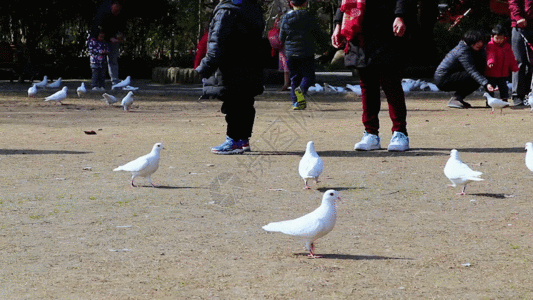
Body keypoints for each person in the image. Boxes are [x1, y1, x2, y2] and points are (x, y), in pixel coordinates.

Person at [331, 0, 414, 152]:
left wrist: (400, 15)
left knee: (391, 81)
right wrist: (338, 25)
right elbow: (343, 2)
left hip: (386, 24)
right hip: (359, 26)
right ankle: (371, 133)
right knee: (367, 84)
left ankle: (400, 132)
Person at [195, 0, 264, 155]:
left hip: (231, 66)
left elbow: (217, 41)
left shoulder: (226, 11)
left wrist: (204, 68)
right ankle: (243, 140)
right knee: (246, 103)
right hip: (251, 65)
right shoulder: (252, 8)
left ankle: (233, 140)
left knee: (232, 105)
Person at [280, 0, 327, 110]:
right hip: (307, 52)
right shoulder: (309, 17)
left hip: (291, 53)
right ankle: (301, 89)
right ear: (305, 3)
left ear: (291, 4)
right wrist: (325, 47)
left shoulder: (286, 18)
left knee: (294, 78)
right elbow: (318, 34)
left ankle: (296, 103)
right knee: (309, 76)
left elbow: (281, 37)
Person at [434, 30, 497, 109]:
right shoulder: (463, 51)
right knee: (477, 77)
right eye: (477, 41)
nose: (480, 44)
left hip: (453, 74)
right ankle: (456, 98)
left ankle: (457, 98)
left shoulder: (473, 49)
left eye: (481, 41)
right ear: (470, 41)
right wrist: (486, 83)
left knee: (479, 75)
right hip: (443, 78)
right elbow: (471, 70)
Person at [90, 0, 126, 86]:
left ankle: (115, 82)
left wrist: (120, 34)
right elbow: (98, 28)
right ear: (113, 5)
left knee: (113, 60)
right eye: (116, 8)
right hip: (100, 39)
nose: (118, 10)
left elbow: (122, 25)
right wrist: (109, 38)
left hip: (113, 38)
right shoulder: (102, 11)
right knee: (98, 65)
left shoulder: (120, 13)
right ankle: (96, 84)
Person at [485, 24, 519, 102]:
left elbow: (511, 57)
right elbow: (490, 54)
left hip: (503, 73)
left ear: (504, 37)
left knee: (504, 87)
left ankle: (504, 100)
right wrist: (490, 61)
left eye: (501, 38)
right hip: (491, 73)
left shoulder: (507, 46)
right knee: (491, 87)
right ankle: (489, 101)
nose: (499, 40)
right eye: (497, 38)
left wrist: (514, 67)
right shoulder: (490, 45)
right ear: (492, 37)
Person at [509, 0, 533, 106]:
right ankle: (517, 95)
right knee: (519, 61)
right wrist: (518, 17)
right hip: (520, 26)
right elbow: (513, 3)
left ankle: (529, 94)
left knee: (531, 62)